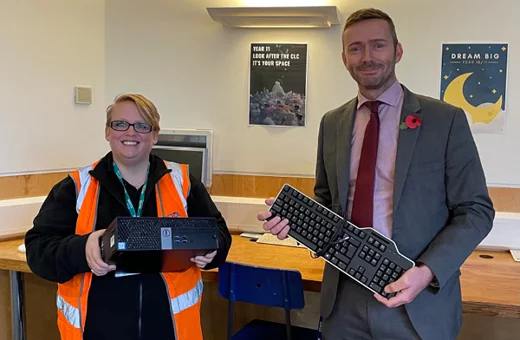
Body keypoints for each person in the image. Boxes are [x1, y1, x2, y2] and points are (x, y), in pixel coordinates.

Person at [257, 8, 494, 340]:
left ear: (397, 51)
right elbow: (328, 200)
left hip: (418, 301)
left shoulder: (445, 120)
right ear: (344, 58)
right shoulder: (332, 123)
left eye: (378, 45)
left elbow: (476, 211)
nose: (367, 57)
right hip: (344, 301)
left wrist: (426, 273)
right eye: (356, 48)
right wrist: (296, 223)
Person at [25, 93, 232, 340]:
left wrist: (211, 250)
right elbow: (37, 251)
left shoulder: (182, 182)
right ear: (107, 132)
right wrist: (83, 248)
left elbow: (219, 234)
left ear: (155, 135)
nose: (130, 133)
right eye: (120, 124)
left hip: (171, 331)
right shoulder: (76, 187)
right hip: (96, 332)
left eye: (142, 125)